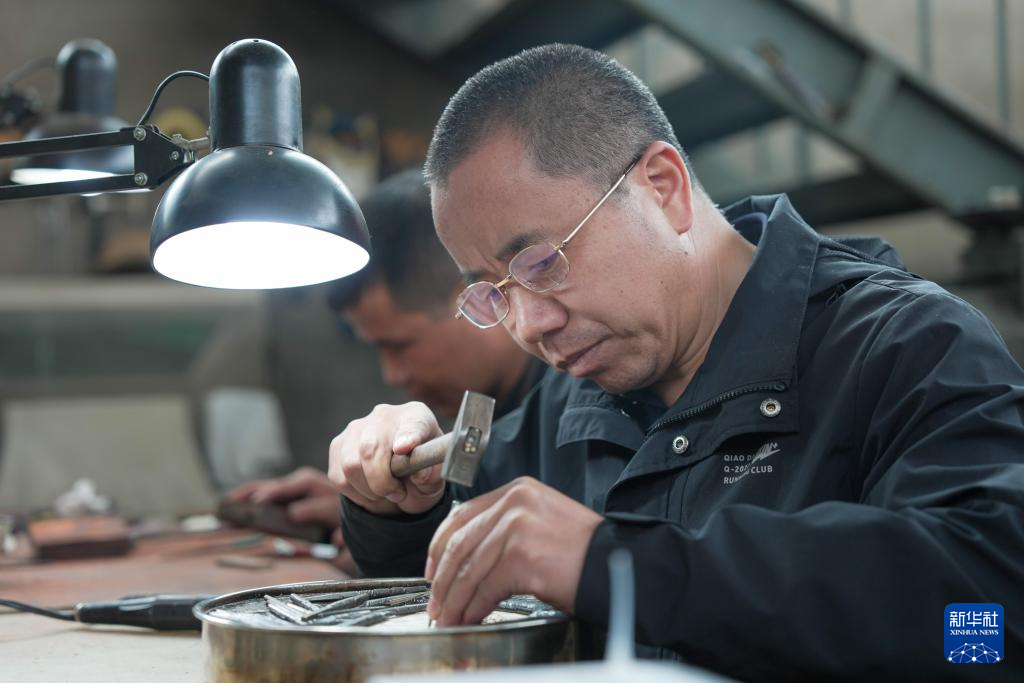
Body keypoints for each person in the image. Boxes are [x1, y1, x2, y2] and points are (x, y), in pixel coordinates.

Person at [329, 44, 1024, 680]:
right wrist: (398, 511)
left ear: (662, 187)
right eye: (493, 294)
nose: (531, 326)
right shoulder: (571, 403)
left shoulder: (906, 348)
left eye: (540, 264)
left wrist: (620, 564)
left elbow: (991, 627)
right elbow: (445, 589)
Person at [227, 169, 545, 572]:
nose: (393, 375)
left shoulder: (570, 408)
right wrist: (381, 511)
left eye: (399, 345)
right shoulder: (488, 421)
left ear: (475, 296)